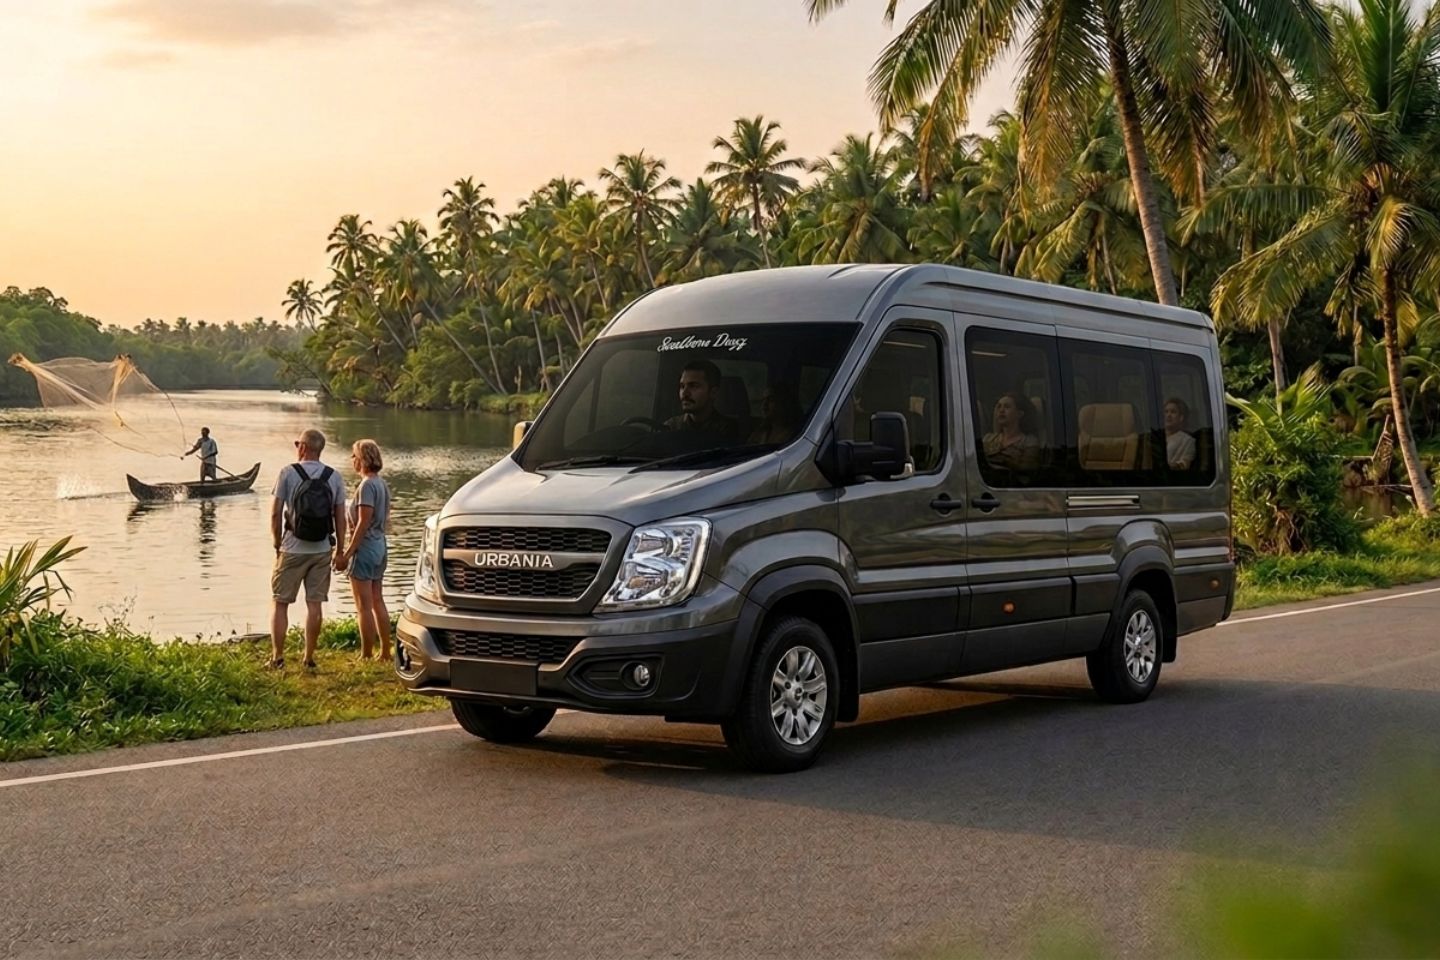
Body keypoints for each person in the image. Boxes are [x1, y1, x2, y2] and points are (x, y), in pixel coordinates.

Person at [269, 428, 347, 671]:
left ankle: (278, 657)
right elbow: (340, 517)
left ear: (303, 447)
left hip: (292, 547)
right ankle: (309, 657)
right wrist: (341, 549)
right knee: (315, 604)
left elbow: (275, 512)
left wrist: (277, 542)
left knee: (280, 603)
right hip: (322, 548)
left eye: (297, 444)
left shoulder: (287, 473)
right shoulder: (333, 477)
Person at [335, 438, 392, 662]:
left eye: (354, 456)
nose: (352, 460)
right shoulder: (382, 484)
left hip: (366, 547)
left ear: (362, 459)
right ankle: (386, 650)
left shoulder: (367, 485)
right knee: (378, 600)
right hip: (380, 544)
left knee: (363, 606)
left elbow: (363, 522)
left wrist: (348, 553)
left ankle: (366, 654)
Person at [664, 359, 740, 441]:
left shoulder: (728, 430)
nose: (685, 393)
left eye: (693, 386)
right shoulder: (671, 427)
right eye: (682, 386)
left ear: (713, 392)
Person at [983, 392, 1042, 471]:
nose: (1001, 410)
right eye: (999, 406)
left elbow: (1026, 470)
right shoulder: (988, 439)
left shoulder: (1029, 441)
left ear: (1020, 413)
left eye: (1007, 407)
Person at [1164, 397, 1197, 470]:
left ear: (1181, 417)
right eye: (1166, 412)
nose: (1168, 415)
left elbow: (1184, 464)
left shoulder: (1188, 441)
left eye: (1173, 412)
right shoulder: (1156, 436)